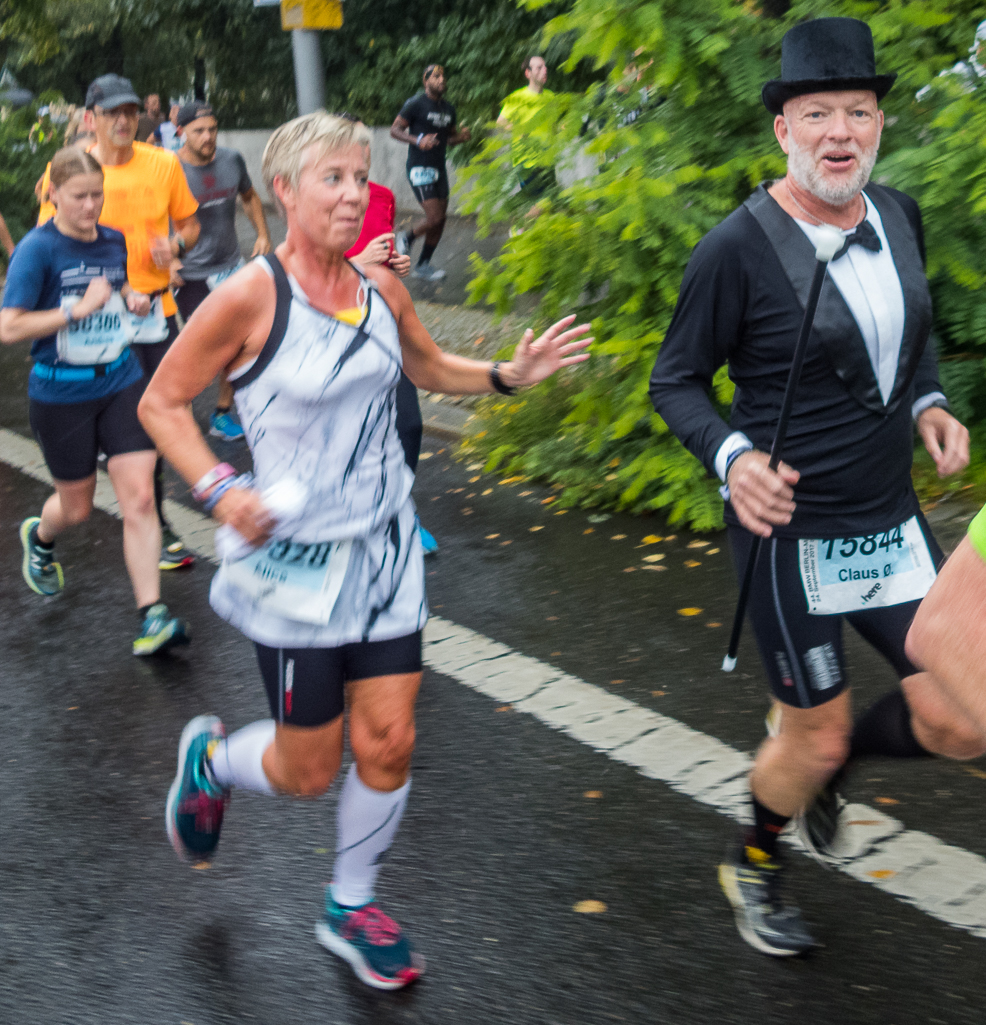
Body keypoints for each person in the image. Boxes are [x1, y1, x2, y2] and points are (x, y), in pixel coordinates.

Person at [138, 111, 590, 989]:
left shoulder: (381, 284)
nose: (353, 194)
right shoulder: (250, 296)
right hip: (297, 566)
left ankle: (351, 902)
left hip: (384, 551)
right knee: (308, 770)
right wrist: (222, 490)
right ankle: (214, 760)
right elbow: (162, 404)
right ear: (286, 192)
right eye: (333, 179)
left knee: (388, 740)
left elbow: (423, 367)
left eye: (360, 177)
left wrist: (507, 375)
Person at [649, 17, 985, 957]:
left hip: (891, 522)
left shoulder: (901, 214)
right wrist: (732, 459)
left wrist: (927, 400)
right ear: (783, 130)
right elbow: (675, 380)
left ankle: (839, 766)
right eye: (817, 112)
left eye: (859, 112)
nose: (840, 131)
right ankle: (755, 857)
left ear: (879, 124)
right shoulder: (737, 248)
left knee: (967, 717)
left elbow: (908, 339)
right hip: (789, 532)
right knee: (812, 732)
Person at [0, 148, 189, 655]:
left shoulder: (112, 239)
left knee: (141, 498)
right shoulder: (36, 251)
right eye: (80, 197)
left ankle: (152, 615)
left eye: (97, 195)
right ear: (54, 194)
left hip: (121, 380)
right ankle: (40, 539)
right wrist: (73, 312)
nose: (91, 206)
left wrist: (131, 297)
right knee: (77, 509)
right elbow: (9, 325)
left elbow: (118, 282)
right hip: (60, 392)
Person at [37, 75, 202, 572]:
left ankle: (151, 513)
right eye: (112, 112)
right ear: (91, 118)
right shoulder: (67, 169)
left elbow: (191, 224)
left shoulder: (164, 163)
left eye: (130, 110)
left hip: (153, 311)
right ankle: (147, 516)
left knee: (161, 415)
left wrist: (175, 248)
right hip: (98, 319)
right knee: (131, 423)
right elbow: (46, 238)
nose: (124, 120)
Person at [340, 141, 437, 556]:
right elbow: (302, 267)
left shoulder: (383, 196)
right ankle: (355, 518)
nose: (362, 153)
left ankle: (400, 508)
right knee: (352, 435)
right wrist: (359, 261)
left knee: (409, 425)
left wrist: (394, 265)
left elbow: (386, 255)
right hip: (334, 332)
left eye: (365, 146)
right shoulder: (322, 201)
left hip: (382, 326)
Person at [172, 101, 271, 442]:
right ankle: (172, 408)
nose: (208, 136)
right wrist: (170, 261)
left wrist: (262, 234)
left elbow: (249, 196)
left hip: (231, 265)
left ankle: (222, 413)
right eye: (199, 131)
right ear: (181, 131)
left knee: (242, 340)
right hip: (192, 273)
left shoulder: (231, 159)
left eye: (212, 129)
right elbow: (154, 218)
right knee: (205, 347)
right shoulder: (170, 168)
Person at [906, 506, 986, 734]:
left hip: (893, 517)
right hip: (807, 530)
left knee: (952, 720)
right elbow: (942, 626)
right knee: (823, 747)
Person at [390, 64, 471, 281]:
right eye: (436, 76)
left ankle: (423, 265)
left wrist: (460, 138)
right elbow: (394, 130)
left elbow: (449, 138)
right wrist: (418, 140)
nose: (441, 79)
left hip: (438, 168)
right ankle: (406, 237)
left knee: (441, 220)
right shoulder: (415, 104)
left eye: (443, 76)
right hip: (419, 167)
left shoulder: (449, 109)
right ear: (426, 81)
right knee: (434, 218)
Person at [497, 56, 556, 211]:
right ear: (528, 74)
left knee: (547, 205)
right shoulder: (517, 97)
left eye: (545, 67)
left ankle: (524, 229)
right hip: (527, 160)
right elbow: (500, 122)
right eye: (539, 67)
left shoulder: (551, 97)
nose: (545, 70)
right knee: (541, 204)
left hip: (547, 160)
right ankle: (519, 228)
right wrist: (518, 130)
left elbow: (553, 125)